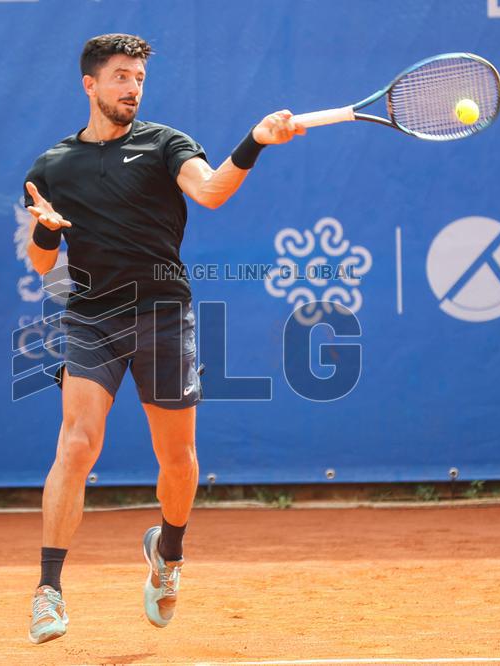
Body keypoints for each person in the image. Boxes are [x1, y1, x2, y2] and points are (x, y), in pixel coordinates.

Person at [23, 33, 303, 644]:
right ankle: (49, 590)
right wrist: (46, 233)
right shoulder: (51, 166)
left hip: (163, 315)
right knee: (76, 444)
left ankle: (167, 552)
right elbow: (42, 263)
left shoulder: (165, 143)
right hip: (92, 317)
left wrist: (254, 142)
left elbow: (209, 191)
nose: (132, 88)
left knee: (176, 460)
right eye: (120, 76)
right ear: (90, 84)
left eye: (139, 78)